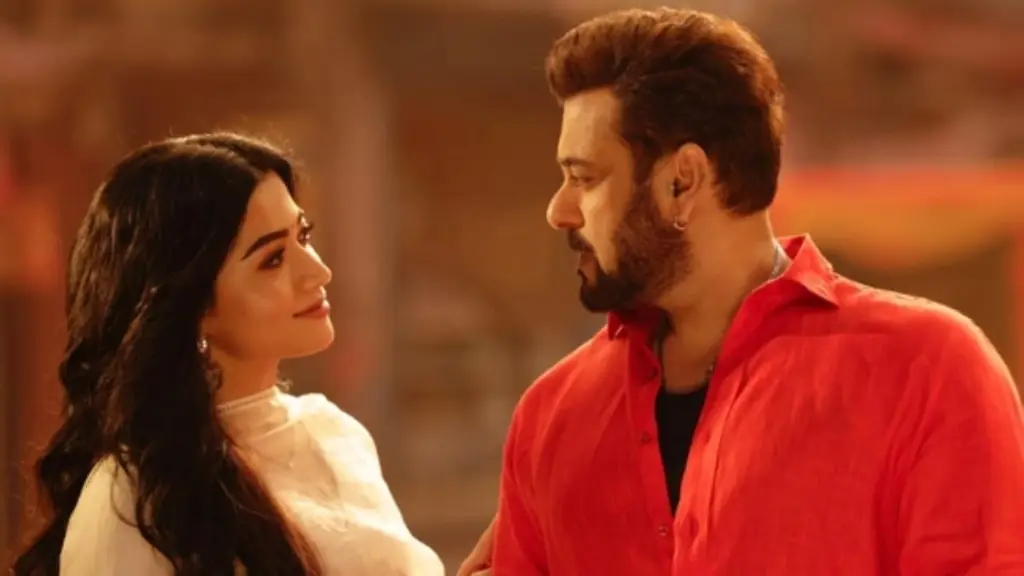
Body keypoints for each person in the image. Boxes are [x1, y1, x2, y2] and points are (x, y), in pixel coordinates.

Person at [457, 8, 1024, 576]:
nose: (558, 211)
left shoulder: (926, 370)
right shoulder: (552, 417)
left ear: (682, 181)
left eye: (585, 178)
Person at [12, 133, 445, 576]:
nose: (318, 271)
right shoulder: (133, 498)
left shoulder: (334, 435)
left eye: (304, 236)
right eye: (273, 259)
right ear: (192, 304)